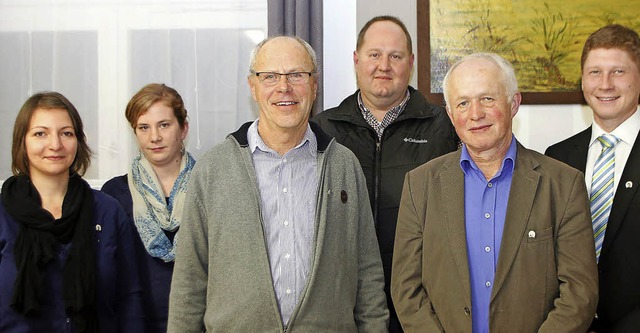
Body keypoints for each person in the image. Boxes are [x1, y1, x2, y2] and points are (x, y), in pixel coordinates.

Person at [167, 36, 389, 332]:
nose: (284, 87)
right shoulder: (213, 169)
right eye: (270, 76)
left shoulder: (343, 165)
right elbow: (189, 283)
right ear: (253, 87)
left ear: (314, 85)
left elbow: (368, 274)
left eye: (297, 75)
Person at [391, 53, 599, 332]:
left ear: (514, 103)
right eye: (463, 103)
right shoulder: (420, 185)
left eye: (487, 99)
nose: (475, 114)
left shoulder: (563, 184)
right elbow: (406, 289)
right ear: (451, 115)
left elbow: (580, 292)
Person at [313, 16, 458, 332]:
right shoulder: (322, 130)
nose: (384, 65)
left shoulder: (445, 127)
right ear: (356, 60)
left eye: (395, 56)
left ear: (411, 63)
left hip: (423, 303)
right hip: (344, 304)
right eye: (374, 54)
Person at [0, 92, 144, 332]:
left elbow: (130, 297)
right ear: (22, 143)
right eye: (40, 133)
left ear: (79, 141)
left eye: (66, 133)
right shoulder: (3, 214)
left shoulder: (107, 211)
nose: (55, 144)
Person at [545, 24, 640, 332]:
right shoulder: (557, 157)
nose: (605, 84)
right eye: (595, 72)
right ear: (583, 80)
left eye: (618, 72)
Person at [101, 83, 194, 332]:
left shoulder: (208, 187)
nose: (154, 137)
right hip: (136, 323)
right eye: (144, 127)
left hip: (199, 323)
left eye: (164, 125)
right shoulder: (114, 195)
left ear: (183, 128)